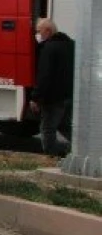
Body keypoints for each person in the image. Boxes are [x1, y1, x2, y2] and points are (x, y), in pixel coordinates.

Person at [30, 18, 74, 157]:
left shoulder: (48, 49)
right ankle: (80, 148)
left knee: (48, 128)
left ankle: (51, 156)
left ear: (48, 31)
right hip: (68, 95)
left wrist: (35, 97)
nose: (37, 34)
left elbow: (45, 75)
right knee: (64, 125)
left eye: (39, 31)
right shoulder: (71, 45)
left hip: (53, 97)